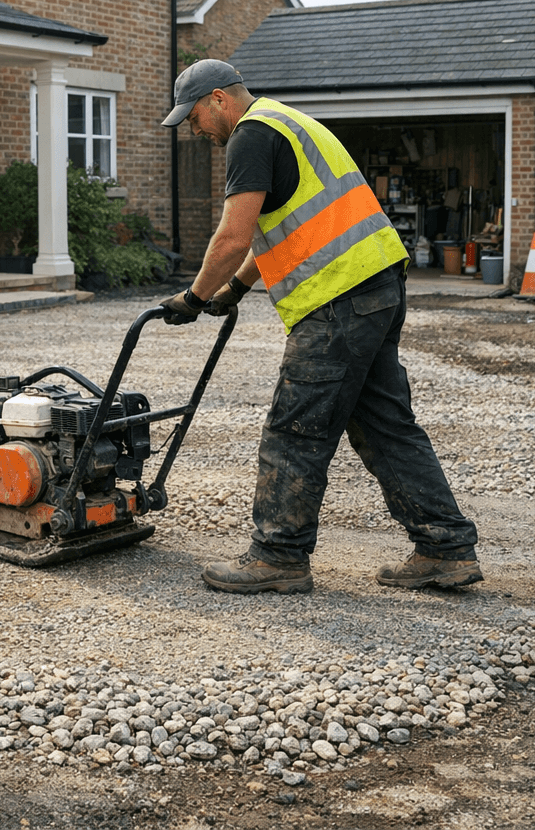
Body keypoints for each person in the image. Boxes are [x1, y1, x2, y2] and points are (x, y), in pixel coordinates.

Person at [156, 59, 481, 595]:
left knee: (294, 428)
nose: (194, 131)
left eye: (192, 118)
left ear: (218, 100)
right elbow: (283, 227)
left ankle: (278, 555)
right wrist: (235, 288)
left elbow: (234, 235)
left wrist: (194, 297)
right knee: (384, 425)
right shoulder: (289, 123)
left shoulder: (251, 136)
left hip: (337, 299)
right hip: (376, 284)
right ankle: (445, 548)